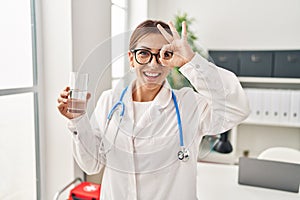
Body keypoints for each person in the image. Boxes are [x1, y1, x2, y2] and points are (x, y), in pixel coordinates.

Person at [57, 19, 250, 200]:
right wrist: (78, 120)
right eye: (144, 53)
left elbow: (236, 108)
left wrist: (190, 61)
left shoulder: (189, 104)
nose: (153, 63)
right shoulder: (109, 101)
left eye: (164, 54)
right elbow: (92, 164)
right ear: (131, 59)